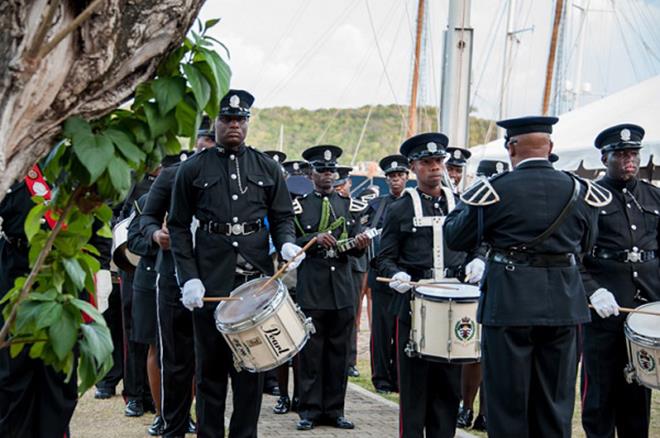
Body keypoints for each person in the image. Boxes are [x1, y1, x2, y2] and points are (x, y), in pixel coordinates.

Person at [444, 116, 609, 438]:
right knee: (555, 400)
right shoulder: (580, 189)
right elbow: (588, 244)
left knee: (508, 401)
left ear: (511, 146)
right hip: (563, 303)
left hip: (509, 303)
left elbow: (456, 237)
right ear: (550, 147)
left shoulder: (493, 190)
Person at [168, 89, 303, 438]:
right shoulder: (193, 168)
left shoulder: (267, 167)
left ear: (247, 123)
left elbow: (283, 216)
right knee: (210, 373)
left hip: (254, 288)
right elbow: (179, 227)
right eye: (226, 119)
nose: (233, 125)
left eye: (239, 119)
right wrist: (189, 278)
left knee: (251, 373)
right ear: (215, 122)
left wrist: (287, 242)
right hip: (211, 284)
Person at [378, 133, 484, 438]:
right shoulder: (400, 209)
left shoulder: (461, 205)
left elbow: (477, 244)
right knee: (413, 392)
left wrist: (478, 260)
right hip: (414, 307)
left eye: (439, 161)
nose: (435, 168)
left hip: (454, 306)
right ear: (413, 167)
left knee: (447, 392)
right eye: (427, 162)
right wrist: (395, 275)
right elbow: (384, 258)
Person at [580, 123, 659, 438]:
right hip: (605, 309)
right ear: (604, 158)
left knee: (639, 391)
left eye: (633, 154)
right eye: (621, 154)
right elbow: (575, 257)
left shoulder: (653, 196)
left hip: (644, 311)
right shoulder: (588, 198)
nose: (629, 160)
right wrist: (593, 291)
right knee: (599, 392)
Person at [293, 145, 371, 431]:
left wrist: (360, 245)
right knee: (311, 353)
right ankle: (309, 410)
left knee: (339, 353)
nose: (327, 175)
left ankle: (335, 410)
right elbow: (290, 241)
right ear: (310, 174)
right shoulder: (299, 206)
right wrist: (315, 237)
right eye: (321, 170)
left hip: (341, 289)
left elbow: (355, 251)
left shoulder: (347, 206)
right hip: (312, 287)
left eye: (331, 171)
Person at [141, 150, 199, 437]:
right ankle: (170, 420)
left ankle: (200, 418)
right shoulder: (171, 175)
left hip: (214, 277)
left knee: (208, 360)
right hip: (172, 275)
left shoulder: (229, 175)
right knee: (174, 358)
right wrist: (155, 234)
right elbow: (147, 218)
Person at [455, 158, 508, 432]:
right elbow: (458, 238)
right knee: (471, 351)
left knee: (494, 354)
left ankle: (487, 412)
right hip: (469, 283)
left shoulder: (508, 204)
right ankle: (466, 406)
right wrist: (474, 258)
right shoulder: (468, 202)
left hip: (500, 284)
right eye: (487, 180)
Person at [365, 154, 409, 394]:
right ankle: (381, 378)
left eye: (400, 176)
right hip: (381, 276)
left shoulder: (414, 204)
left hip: (405, 276)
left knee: (402, 329)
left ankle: (400, 377)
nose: (396, 180)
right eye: (391, 176)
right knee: (381, 330)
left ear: (406, 177)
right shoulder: (376, 205)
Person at [334, 165, 367, 379]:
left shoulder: (356, 207)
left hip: (354, 266)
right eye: (336, 186)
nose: (339, 189)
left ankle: (350, 360)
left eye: (342, 185)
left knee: (351, 315)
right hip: (333, 264)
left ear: (349, 185)